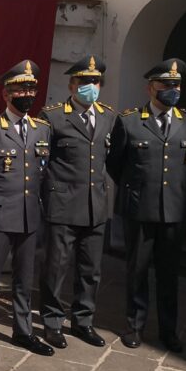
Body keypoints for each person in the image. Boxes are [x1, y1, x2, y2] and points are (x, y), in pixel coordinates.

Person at [107, 58, 186, 353]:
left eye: (176, 85)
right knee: (137, 269)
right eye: (166, 85)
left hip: (174, 210)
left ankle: (168, 331)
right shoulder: (129, 120)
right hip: (139, 208)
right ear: (151, 88)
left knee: (168, 272)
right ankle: (134, 326)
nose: (172, 90)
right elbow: (116, 164)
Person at [0, 59, 54, 364]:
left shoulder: (42, 129)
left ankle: (23, 330)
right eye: (20, 89)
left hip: (30, 215)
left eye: (31, 88)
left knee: (23, 277)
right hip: (0, 213)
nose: (27, 94)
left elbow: (43, 174)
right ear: (6, 94)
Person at [38, 56, 116, 349]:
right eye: (84, 82)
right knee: (56, 267)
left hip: (96, 205)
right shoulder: (54, 116)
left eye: (95, 82)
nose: (90, 87)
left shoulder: (109, 116)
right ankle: (53, 321)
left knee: (91, 269)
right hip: (63, 205)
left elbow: (114, 159)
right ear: (71, 85)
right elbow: (41, 162)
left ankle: (83, 321)